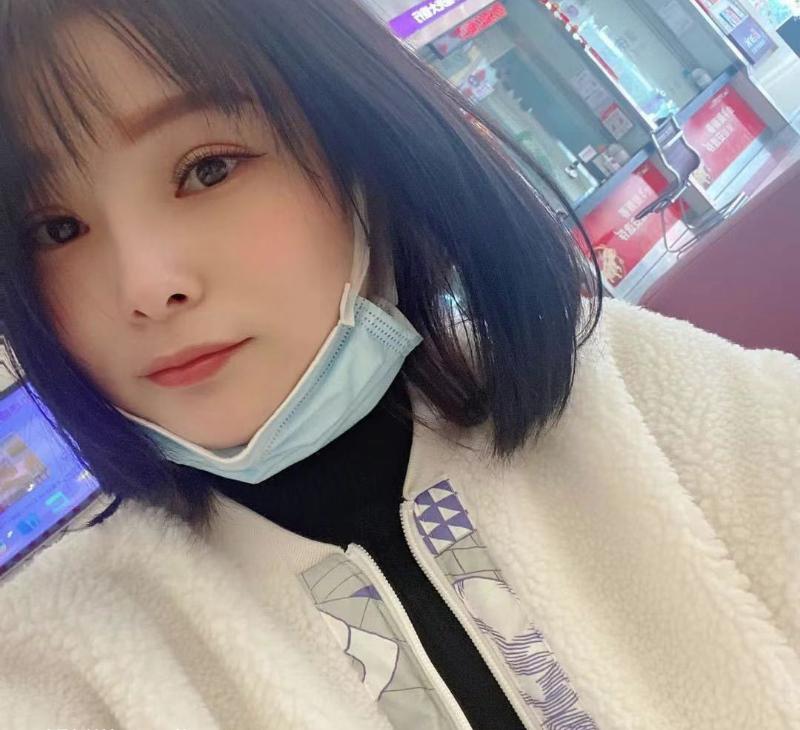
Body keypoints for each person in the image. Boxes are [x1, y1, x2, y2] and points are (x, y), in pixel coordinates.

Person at [0, 1, 797, 728]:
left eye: (208, 168)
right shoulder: (63, 659)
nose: (145, 287)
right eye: (56, 229)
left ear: (366, 153)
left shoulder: (649, 398)